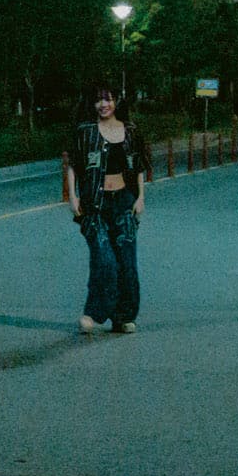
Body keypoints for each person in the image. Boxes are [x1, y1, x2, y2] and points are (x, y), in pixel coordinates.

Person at [63, 83, 150, 335]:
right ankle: (93, 313)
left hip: (124, 202)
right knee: (104, 260)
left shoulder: (130, 131)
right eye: (99, 100)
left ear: (116, 101)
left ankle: (123, 317)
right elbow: (73, 165)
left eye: (108, 99)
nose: (104, 105)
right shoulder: (86, 132)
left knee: (127, 263)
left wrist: (140, 197)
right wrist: (73, 197)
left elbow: (139, 166)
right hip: (95, 205)